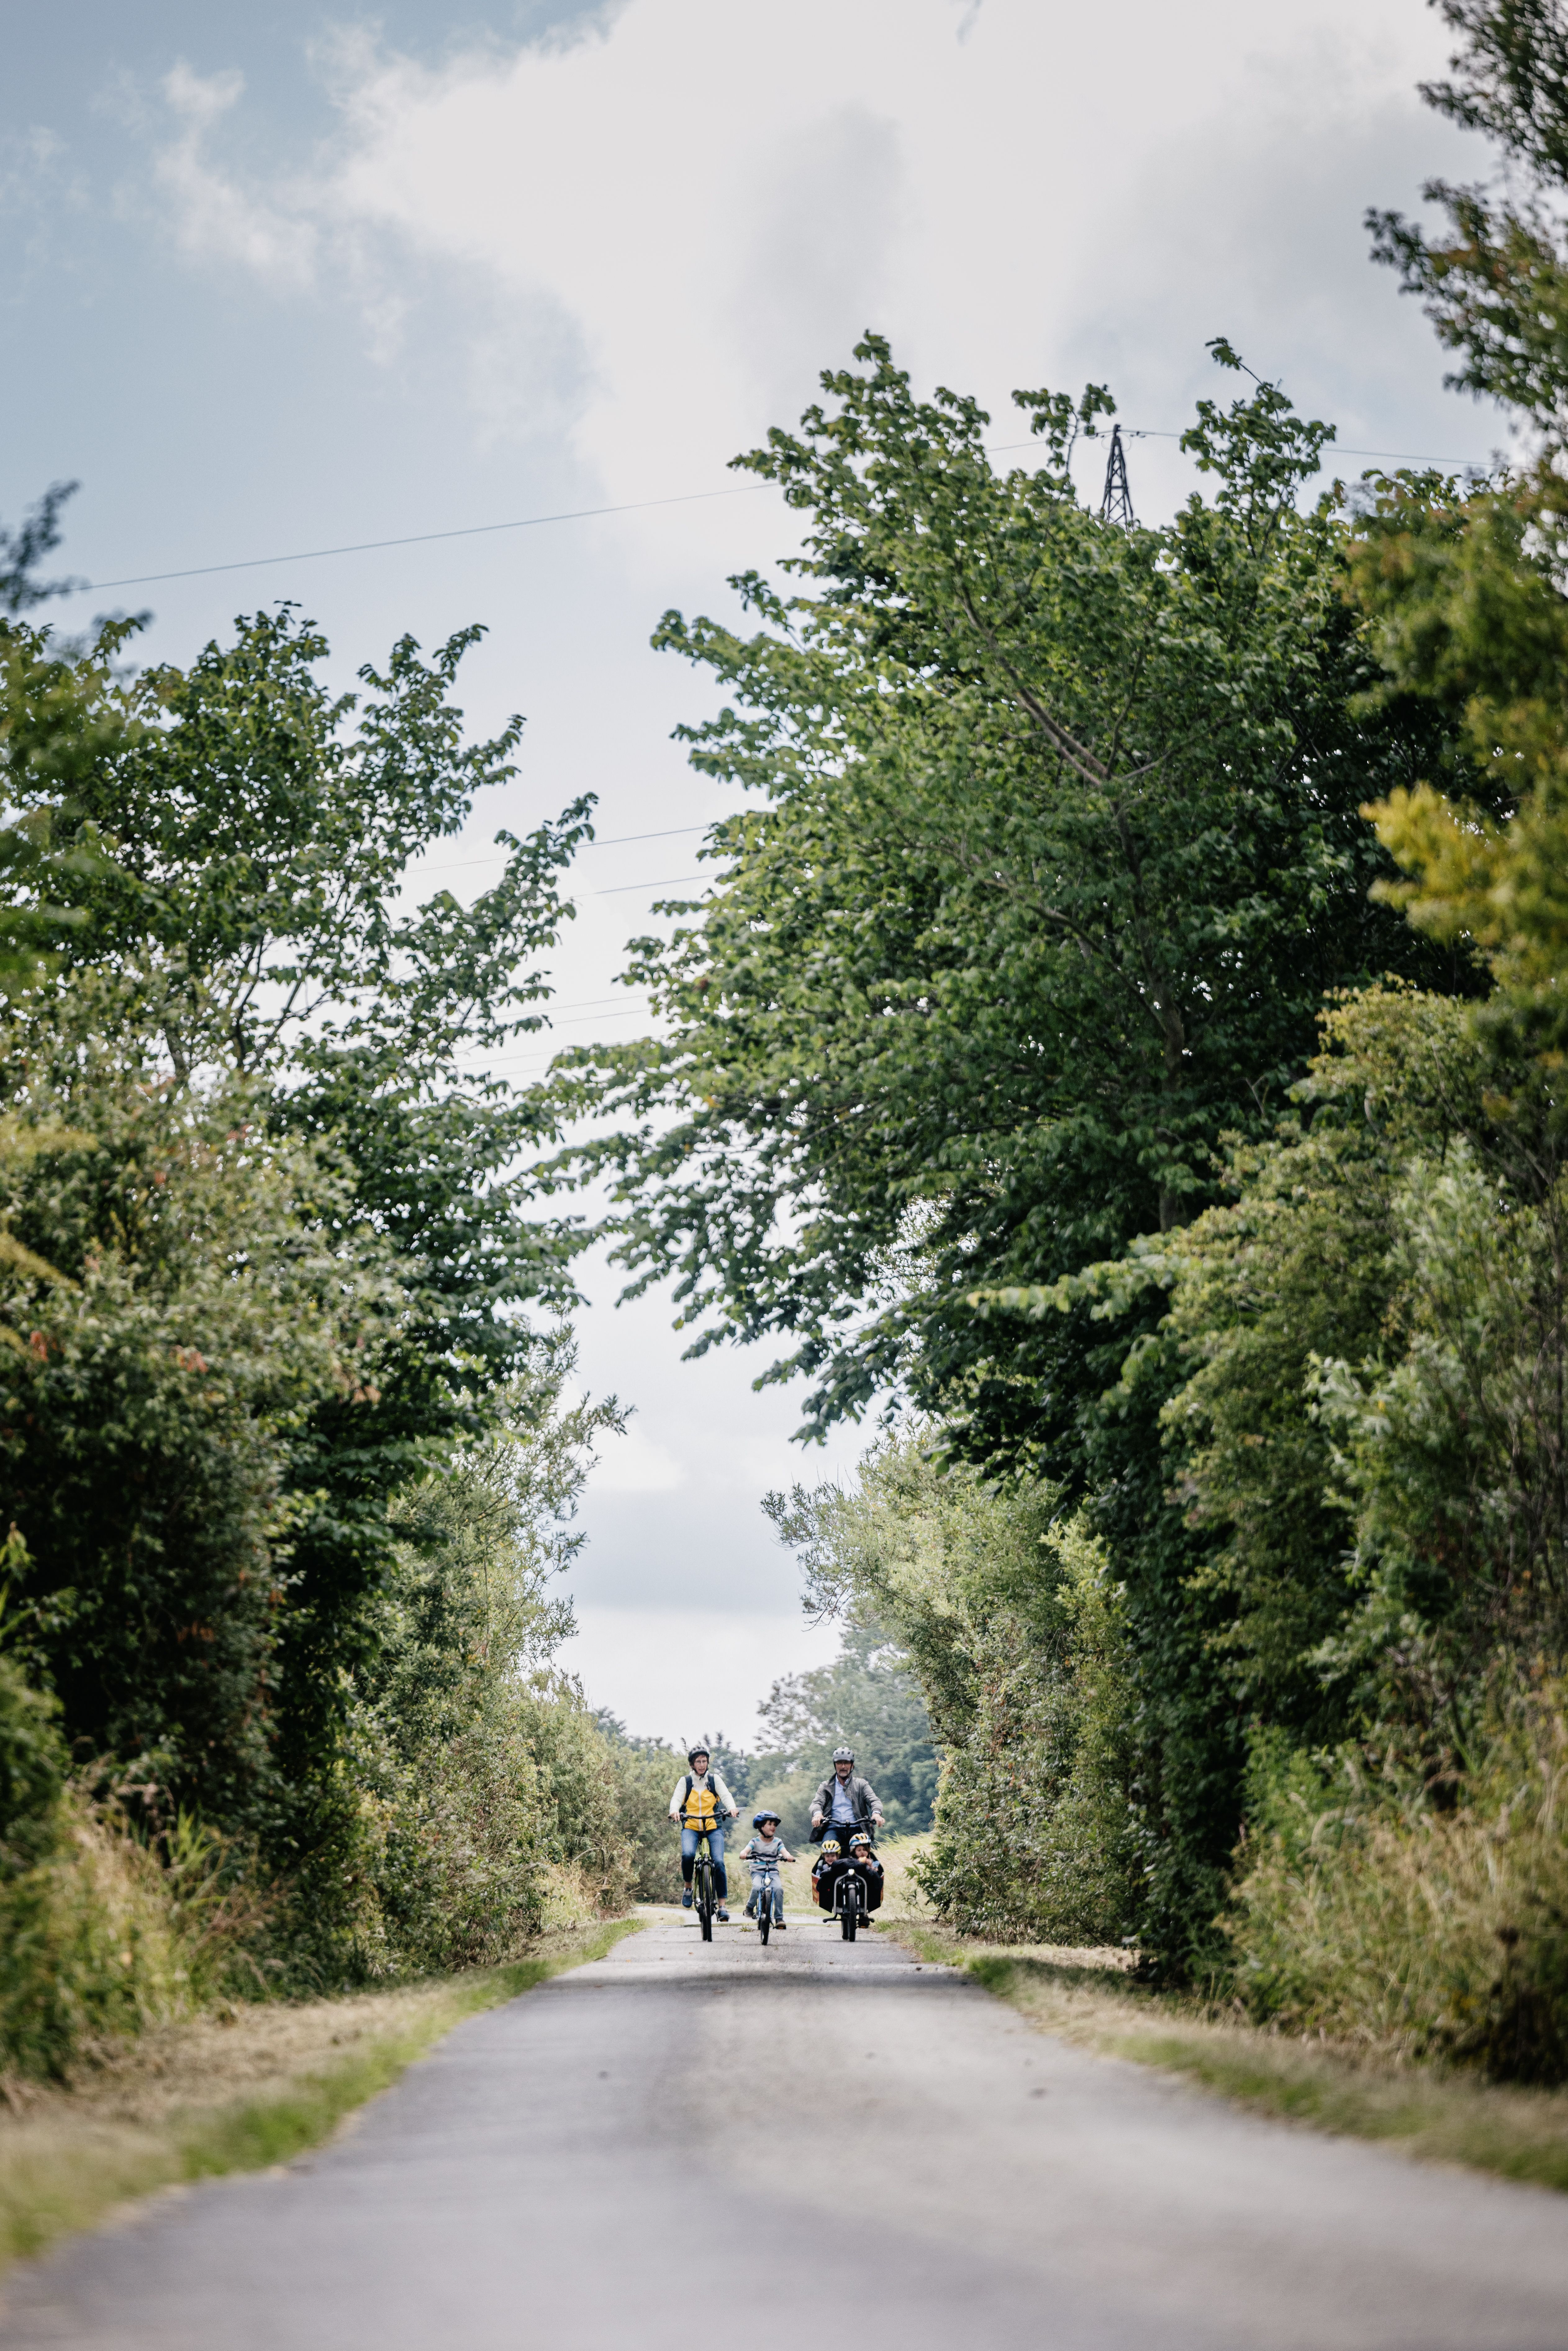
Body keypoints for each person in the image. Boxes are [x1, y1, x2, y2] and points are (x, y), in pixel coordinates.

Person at [668, 1745, 739, 1922]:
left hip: (713, 1825)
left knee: (720, 1862)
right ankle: (688, 1887)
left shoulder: (714, 1780)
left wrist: (732, 1808)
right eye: (698, 1762)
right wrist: (675, 1811)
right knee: (688, 1855)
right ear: (692, 1764)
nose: (702, 1765)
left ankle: (722, 1906)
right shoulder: (686, 1782)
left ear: (708, 1763)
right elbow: (677, 1799)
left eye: (704, 1761)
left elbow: (726, 1795)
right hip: (691, 1825)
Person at [809, 1747, 884, 1844]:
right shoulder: (826, 1786)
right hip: (833, 1829)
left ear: (852, 1765)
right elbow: (817, 1803)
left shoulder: (861, 1784)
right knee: (828, 1851)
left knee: (865, 1855)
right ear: (835, 1765)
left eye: (847, 1763)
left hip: (858, 1828)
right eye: (840, 1763)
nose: (843, 1767)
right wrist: (818, 1814)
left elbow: (875, 1801)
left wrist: (876, 1814)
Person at [739, 1810, 794, 1929]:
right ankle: (750, 1907)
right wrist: (744, 1853)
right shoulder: (755, 1841)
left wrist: (788, 1856)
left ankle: (779, 1918)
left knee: (779, 1889)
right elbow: (747, 1849)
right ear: (761, 1826)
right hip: (758, 1871)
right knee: (758, 1887)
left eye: (775, 1825)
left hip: (773, 1871)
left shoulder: (778, 1842)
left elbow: (784, 1851)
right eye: (770, 1824)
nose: (773, 1827)